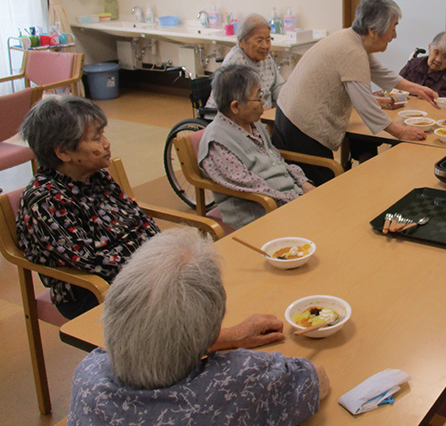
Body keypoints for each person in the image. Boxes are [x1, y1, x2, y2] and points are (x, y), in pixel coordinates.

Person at [15, 96, 280, 344]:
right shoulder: (44, 201)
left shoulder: (95, 175)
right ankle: (221, 341)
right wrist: (162, 266)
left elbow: (139, 221)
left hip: (143, 269)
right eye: (96, 138)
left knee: (222, 275)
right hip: (96, 291)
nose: (106, 143)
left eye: (103, 133)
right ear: (63, 152)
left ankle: (217, 337)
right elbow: (93, 264)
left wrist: (169, 254)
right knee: (197, 296)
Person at [67, 228, 328, 425]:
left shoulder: (86, 375)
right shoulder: (237, 381)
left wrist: (233, 336)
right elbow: (315, 379)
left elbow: (156, 344)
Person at [272, 0, 439, 184]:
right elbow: (365, 104)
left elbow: (379, 71)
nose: (394, 36)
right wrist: (400, 132)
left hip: (290, 118)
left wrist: (417, 89)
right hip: (301, 128)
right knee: (319, 194)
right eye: (392, 29)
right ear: (374, 30)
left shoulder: (351, 40)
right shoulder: (352, 51)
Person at [199, 64, 314, 228]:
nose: (264, 102)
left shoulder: (253, 124)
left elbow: (276, 159)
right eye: (258, 98)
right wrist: (295, 200)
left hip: (286, 199)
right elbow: (252, 187)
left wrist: (303, 183)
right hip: (258, 213)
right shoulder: (217, 143)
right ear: (236, 106)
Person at [206, 13, 284, 110]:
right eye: (259, 41)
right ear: (241, 41)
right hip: (234, 117)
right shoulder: (235, 63)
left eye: (268, 40)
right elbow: (235, 104)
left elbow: (277, 86)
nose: (265, 46)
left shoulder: (266, 58)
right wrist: (262, 111)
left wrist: (287, 100)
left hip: (261, 114)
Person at [399, 30, 446, 99]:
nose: (438, 59)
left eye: (445, 57)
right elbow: (397, 84)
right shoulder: (414, 64)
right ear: (430, 47)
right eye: (436, 52)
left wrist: (432, 96)